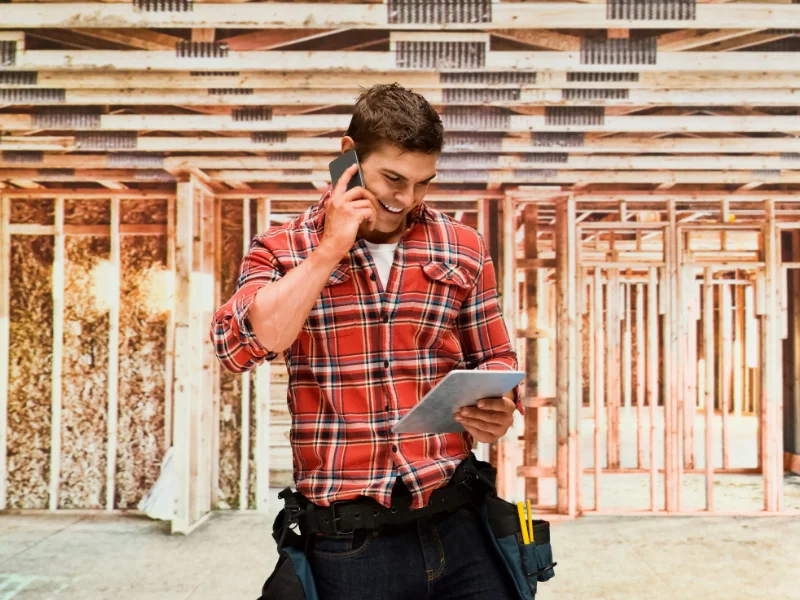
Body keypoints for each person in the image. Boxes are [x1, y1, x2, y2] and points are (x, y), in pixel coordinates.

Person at [210, 83, 524, 600]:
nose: (406, 200)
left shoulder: (462, 245)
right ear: (348, 156)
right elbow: (237, 347)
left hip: (460, 524)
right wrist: (330, 249)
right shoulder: (282, 249)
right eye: (393, 178)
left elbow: (495, 354)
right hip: (351, 545)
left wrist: (502, 406)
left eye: (423, 183)